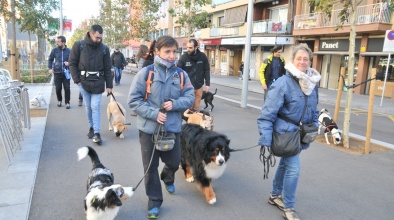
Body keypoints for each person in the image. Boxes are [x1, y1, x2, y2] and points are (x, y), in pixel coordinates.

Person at [128, 35, 194, 219]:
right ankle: (154, 201)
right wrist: (154, 113)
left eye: (175, 51)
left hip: (172, 128)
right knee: (150, 168)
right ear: (157, 51)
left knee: (174, 161)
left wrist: (176, 103)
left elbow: (190, 97)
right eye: (168, 51)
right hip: (148, 130)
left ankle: (168, 175)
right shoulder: (146, 73)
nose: (172, 56)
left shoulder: (181, 74)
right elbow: (133, 101)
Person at [257, 43, 321, 220]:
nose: (302, 61)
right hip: (285, 134)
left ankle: (275, 195)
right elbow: (266, 114)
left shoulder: (312, 83)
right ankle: (289, 208)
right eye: (299, 58)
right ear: (292, 61)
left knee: (285, 163)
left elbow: (314, 109)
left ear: (310, 61)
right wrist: (265, 138)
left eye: (305, 59)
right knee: (294, 168)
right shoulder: (283, 83)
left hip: (300, 134)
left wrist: (314, 125)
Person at [69, 24, 113, 144]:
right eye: (97, 37)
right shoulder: (79, 45)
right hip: (83, 83)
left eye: (101, 38)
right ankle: (92, 127)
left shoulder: (104, 49)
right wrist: (77, 80)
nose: (99, 40)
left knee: (95, 106)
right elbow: (72, 63)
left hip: (98, 83)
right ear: (91, 33)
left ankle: (97, 133)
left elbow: (108, 68)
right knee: (88, 107)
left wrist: (109, 86)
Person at [177, 39, 210, 111]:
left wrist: (207, 83)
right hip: (188, 87)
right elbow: (178, 72)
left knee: (196, 107)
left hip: (199, 86)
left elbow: (206, 69)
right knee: (188, 108)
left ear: (196, 47)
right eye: (187, 47)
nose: (188, 49)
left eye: (190, 48)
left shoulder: (202, 56)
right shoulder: (183, 57)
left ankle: (194, 118)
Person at [48, 36, 71, 109]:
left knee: (67, 88)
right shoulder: (54, 50)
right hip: (57, 73)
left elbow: (74, 61)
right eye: (56, 41)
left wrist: (69, 63)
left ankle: (67, 102)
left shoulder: (69, 51)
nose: (57, 43)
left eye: (58, 42)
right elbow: (50, 60)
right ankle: (59, 100)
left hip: (66, 72)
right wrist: (50, 68)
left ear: (63, 43)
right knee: (58, 88)